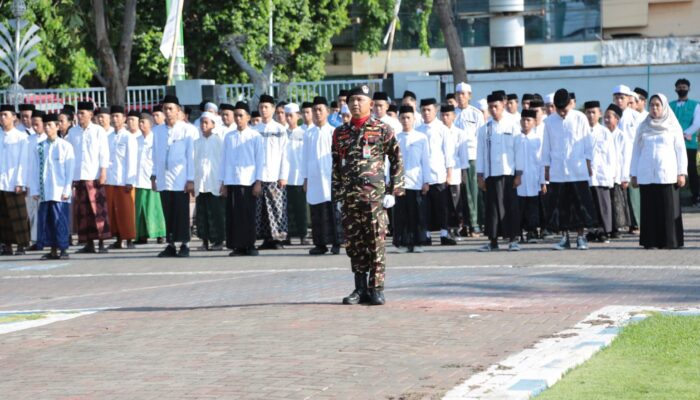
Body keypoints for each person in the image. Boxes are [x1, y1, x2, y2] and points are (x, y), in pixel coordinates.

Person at [332, 85, 404, 306]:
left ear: (370, 104)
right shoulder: (340, 132)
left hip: (374, 198)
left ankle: (376, 288)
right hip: (351, 198)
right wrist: (338, 196)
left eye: (360, 100)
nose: (355, 104)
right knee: (355, 245)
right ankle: (359, 288)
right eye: (352, 100)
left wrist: (394, 191)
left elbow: (397, 160)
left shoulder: (382, 129)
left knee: (376, 243)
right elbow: (336, 166)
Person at [542, 89, 597, 250]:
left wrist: (588, 164)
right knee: (561, 207)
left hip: (577, 169)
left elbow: (588, 144)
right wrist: (546, 168)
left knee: (579, 205)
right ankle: (564, 238)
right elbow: (546, 147)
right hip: (558, 171)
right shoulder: (549, 122)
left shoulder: (580, 118)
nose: (562, 113)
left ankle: (580, 238)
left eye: (564, 109)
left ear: (569, 105)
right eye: (559, 110)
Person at [630, 93, 687, 249]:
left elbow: (680, 150)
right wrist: (633, 173)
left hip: (667, 173)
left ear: (664, 107)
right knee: (650, 209)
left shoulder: (673, 126)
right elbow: (636, 151)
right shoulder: (643, 126)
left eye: (657, 105)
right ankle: (651, 241)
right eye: (652, 105)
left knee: (669, 209)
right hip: (647, 173)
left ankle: (671, 241)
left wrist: (682, 172)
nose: (654, 108)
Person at [476, 94, 522, 252]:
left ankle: (513, 240)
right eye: (491, 107)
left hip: (509, 173)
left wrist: (519, 174)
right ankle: (493, 241)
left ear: (503, 105)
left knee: (510, 207)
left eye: (496, 106)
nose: (494, 110)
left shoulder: (513, 125)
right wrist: (480, 175)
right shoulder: (485, 129)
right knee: (493, 209)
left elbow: (519, 151)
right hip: (491, 174)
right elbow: (480, 153)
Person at [152, 95, 195, 257]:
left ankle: (185, 244)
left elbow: (191, 156)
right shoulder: (157, 131)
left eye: (171, 109)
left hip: (181, 179)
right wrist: (154, 176)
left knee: (181, 213)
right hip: (163, 179)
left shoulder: (187, 130)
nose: (168, 112)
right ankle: (170, 245)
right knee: (167, 212)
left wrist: (191, 179)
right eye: (165, 109)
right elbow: (155, 155)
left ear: (178, 111)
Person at [219, 102, 264, 256]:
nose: (238, 119)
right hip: (231, 181)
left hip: (248, 181)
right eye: (236, 115)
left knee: (248, 215)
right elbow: (223, 160)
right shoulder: (228, 136)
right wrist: (223, 182)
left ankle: (250, 245)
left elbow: (260, 160)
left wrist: (258, 181)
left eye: (241, 115)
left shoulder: (255, 136)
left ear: (248, 117)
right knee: (233, 215)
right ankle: (237, 246)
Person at [28, 113, 74, 260]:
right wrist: (34, 189)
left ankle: (63, 249)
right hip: (44, 192)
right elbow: (34, 169)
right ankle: (53, 250)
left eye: (50, 125)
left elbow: (70, 170)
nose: (47, 128)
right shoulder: (40, 147)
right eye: (45, 125)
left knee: (60, 221)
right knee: (47, 222)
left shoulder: (65, 146)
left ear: (57, 126)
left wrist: (67, 189)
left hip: (60, 192)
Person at [68, 101, 111, 254]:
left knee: (97, 210)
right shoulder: (72, 132)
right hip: (79, 177)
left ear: (91, 115)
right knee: (82, 212)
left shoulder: (98, 131)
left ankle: (101, 243)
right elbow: (70, 155)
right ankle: (88, 243)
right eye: (78, 113)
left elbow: (104, 152)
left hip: (94, 176)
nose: (80, 116)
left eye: (83, 113)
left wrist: (103, 172)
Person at [302, 96, 342, 255]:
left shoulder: (333, 132)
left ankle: (337, 242)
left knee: (332, 210)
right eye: (315, 110)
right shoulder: (308, 133)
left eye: (320, 110)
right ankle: (320, 244)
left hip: (330, 176)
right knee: (316, 210)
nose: (317, 113)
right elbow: (304, 157)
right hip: (314, 177)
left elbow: (339, 156)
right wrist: (305, 178)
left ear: (327, 111)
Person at [417, 98, 456, 245]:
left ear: (435, 110)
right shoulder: (418, 130)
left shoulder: (442, 129)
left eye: (429, 110)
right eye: (423, 110)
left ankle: (444, 234)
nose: (426, 113)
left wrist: (449, 174)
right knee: (425, 208)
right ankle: (425, 235)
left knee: (442, 208)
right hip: (423, 177)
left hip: (439, 174)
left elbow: (448, 153)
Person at [393, 105, 430, 253]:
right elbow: (391, 162)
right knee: (402, 215)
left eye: (408, 117)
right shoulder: (396, 138)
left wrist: (426, 181)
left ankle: (418, 242)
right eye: (403, 118)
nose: (406, 120)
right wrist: (392, 181)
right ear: (399, 119)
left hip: (417, 181)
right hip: (401, 182)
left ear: (414, 119)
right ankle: (402, 243)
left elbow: (425, 161)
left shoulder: (421, 138)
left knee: (417, 214)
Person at [255, 94, 290, 250]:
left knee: (276, 208)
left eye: (266, 107)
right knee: (261, 210)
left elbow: (285, 154)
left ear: (273, 109)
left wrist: (283, 176)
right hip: (259, 177)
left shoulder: (280, 129)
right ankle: (266, 239)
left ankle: (278, 239)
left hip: (275, 176)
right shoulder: (255, 130)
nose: (263, 110)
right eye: (261, 107)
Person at [105, 105, 138, 250]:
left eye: (117, 116)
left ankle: (129, 238)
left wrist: (130, 181)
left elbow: (132, 159)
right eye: (112, 116)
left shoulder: (128, 137)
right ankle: (118, 238)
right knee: (113, 210)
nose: (114, 119)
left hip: (124, 180)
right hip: (111, 179)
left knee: (126, 211)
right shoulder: (108, 137)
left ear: (124, 118)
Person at [454, 82, 485, 236]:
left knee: (473, 192)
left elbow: (481, 138)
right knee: (458, 193)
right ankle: (462, 224)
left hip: (472, 156)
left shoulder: (476, 114)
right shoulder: (452, 113)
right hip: (455, 159)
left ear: (469, 96)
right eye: (458, 94)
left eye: (464, 94)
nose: (460, 97)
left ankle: (476, 224)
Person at [584, 101, 617, 243]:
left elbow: (611, 155)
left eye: (593, 112)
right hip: (586, 175)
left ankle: (604, 230)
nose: (591, 115)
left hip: (602, 173)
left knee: (603, 204)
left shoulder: (605, 132)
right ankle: (592, 230)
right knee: (589, 204)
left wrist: (612, 175)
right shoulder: (582, 131)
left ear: (600, 114)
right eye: (588, 112)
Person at [0, 104, 30, 255]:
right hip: (1, 182)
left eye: (5, 115)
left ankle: (21, 245)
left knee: (18, 216)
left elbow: (23, 162)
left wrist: (20, 182)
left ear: (13, 117)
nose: (2, 118)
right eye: (1, 115)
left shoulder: (21, 137)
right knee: (3, 216)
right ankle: (6, 245)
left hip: (14, 182)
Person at [193, 112, 225, 251]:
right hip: (201, 184)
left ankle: (218, 241)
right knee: (202, 214)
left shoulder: (219, 141)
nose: (203, 125)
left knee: (216, 214)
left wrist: (223, 182)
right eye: (202, 123)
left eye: (206, 122)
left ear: (213, 124)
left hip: (214, 183)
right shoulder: (196, 142)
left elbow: (223, 162)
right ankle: (204, 241)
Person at [613, 84, 641, 231]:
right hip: (617, 158)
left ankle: (636, 223)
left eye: (622, 98)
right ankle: (623, 222)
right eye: (616, 97)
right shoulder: (611, 115)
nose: (619, 100)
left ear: (628, 99)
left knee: (633, 193)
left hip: (632, 158)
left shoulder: (636, 117)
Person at [134, 112, 166, 245]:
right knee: (140, 208)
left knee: (155, 209)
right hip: (139, 179)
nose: (141, 124)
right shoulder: (136, 140)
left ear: (151, 124)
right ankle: (142, 235)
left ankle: (160, 234)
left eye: (143, 122)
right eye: (139, 122)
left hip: (152, 179)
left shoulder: (156, 139)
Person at [670, 78, 700, 206]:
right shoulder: (670, 105)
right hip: (672, 144)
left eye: (684, 87)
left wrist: (684, 134)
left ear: (689, 89)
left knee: (692, 170)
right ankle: (674, 197)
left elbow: (697, 123)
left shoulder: (696, 105)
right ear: (675, 89)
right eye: (679, 87)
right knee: (673, 170)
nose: (682, 89)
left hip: (689, 143)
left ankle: (696, 196)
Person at [516, 109, 544, 244]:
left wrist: (543, 180)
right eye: (523, 120)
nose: (525, 123)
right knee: (519, 207)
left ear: (534, 122)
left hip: (533, 178)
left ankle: (532, 231)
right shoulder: (516, 139)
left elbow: (541, 162)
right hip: (520, 180)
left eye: (529, 120)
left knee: (533, 206)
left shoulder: (538, 140)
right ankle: (519, 232)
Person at [440, 104, 466, 238]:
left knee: (456, 201)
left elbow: (463, 155)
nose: (445, 118)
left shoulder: (459, 133)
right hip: (440, 172)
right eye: (443, 115)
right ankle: (447, 227)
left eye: (448, 115)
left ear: (454, 116)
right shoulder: (438, 132)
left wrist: (462, 174)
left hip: (455, 172)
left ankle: (457, 227)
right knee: (445, 202)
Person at [284, 102, 309, 246]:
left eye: (291, 115)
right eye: (286, 115)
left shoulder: (303, 133)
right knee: (286, 209)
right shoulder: (281, 133)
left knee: (300, 208)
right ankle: (287, 235)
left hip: (299, 176)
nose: (288, 118)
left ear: (297, 116)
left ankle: (302, 235)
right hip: (285, 176)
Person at [26, 109, 46, 250]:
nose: (34, 127)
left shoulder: (49, 139)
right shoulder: (28, 140)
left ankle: (47, 239)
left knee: (46, 211)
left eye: (37, 124)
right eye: (33, 124)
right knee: (33, 212)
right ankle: (36, 241)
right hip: (32, 180)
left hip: (47, 182)